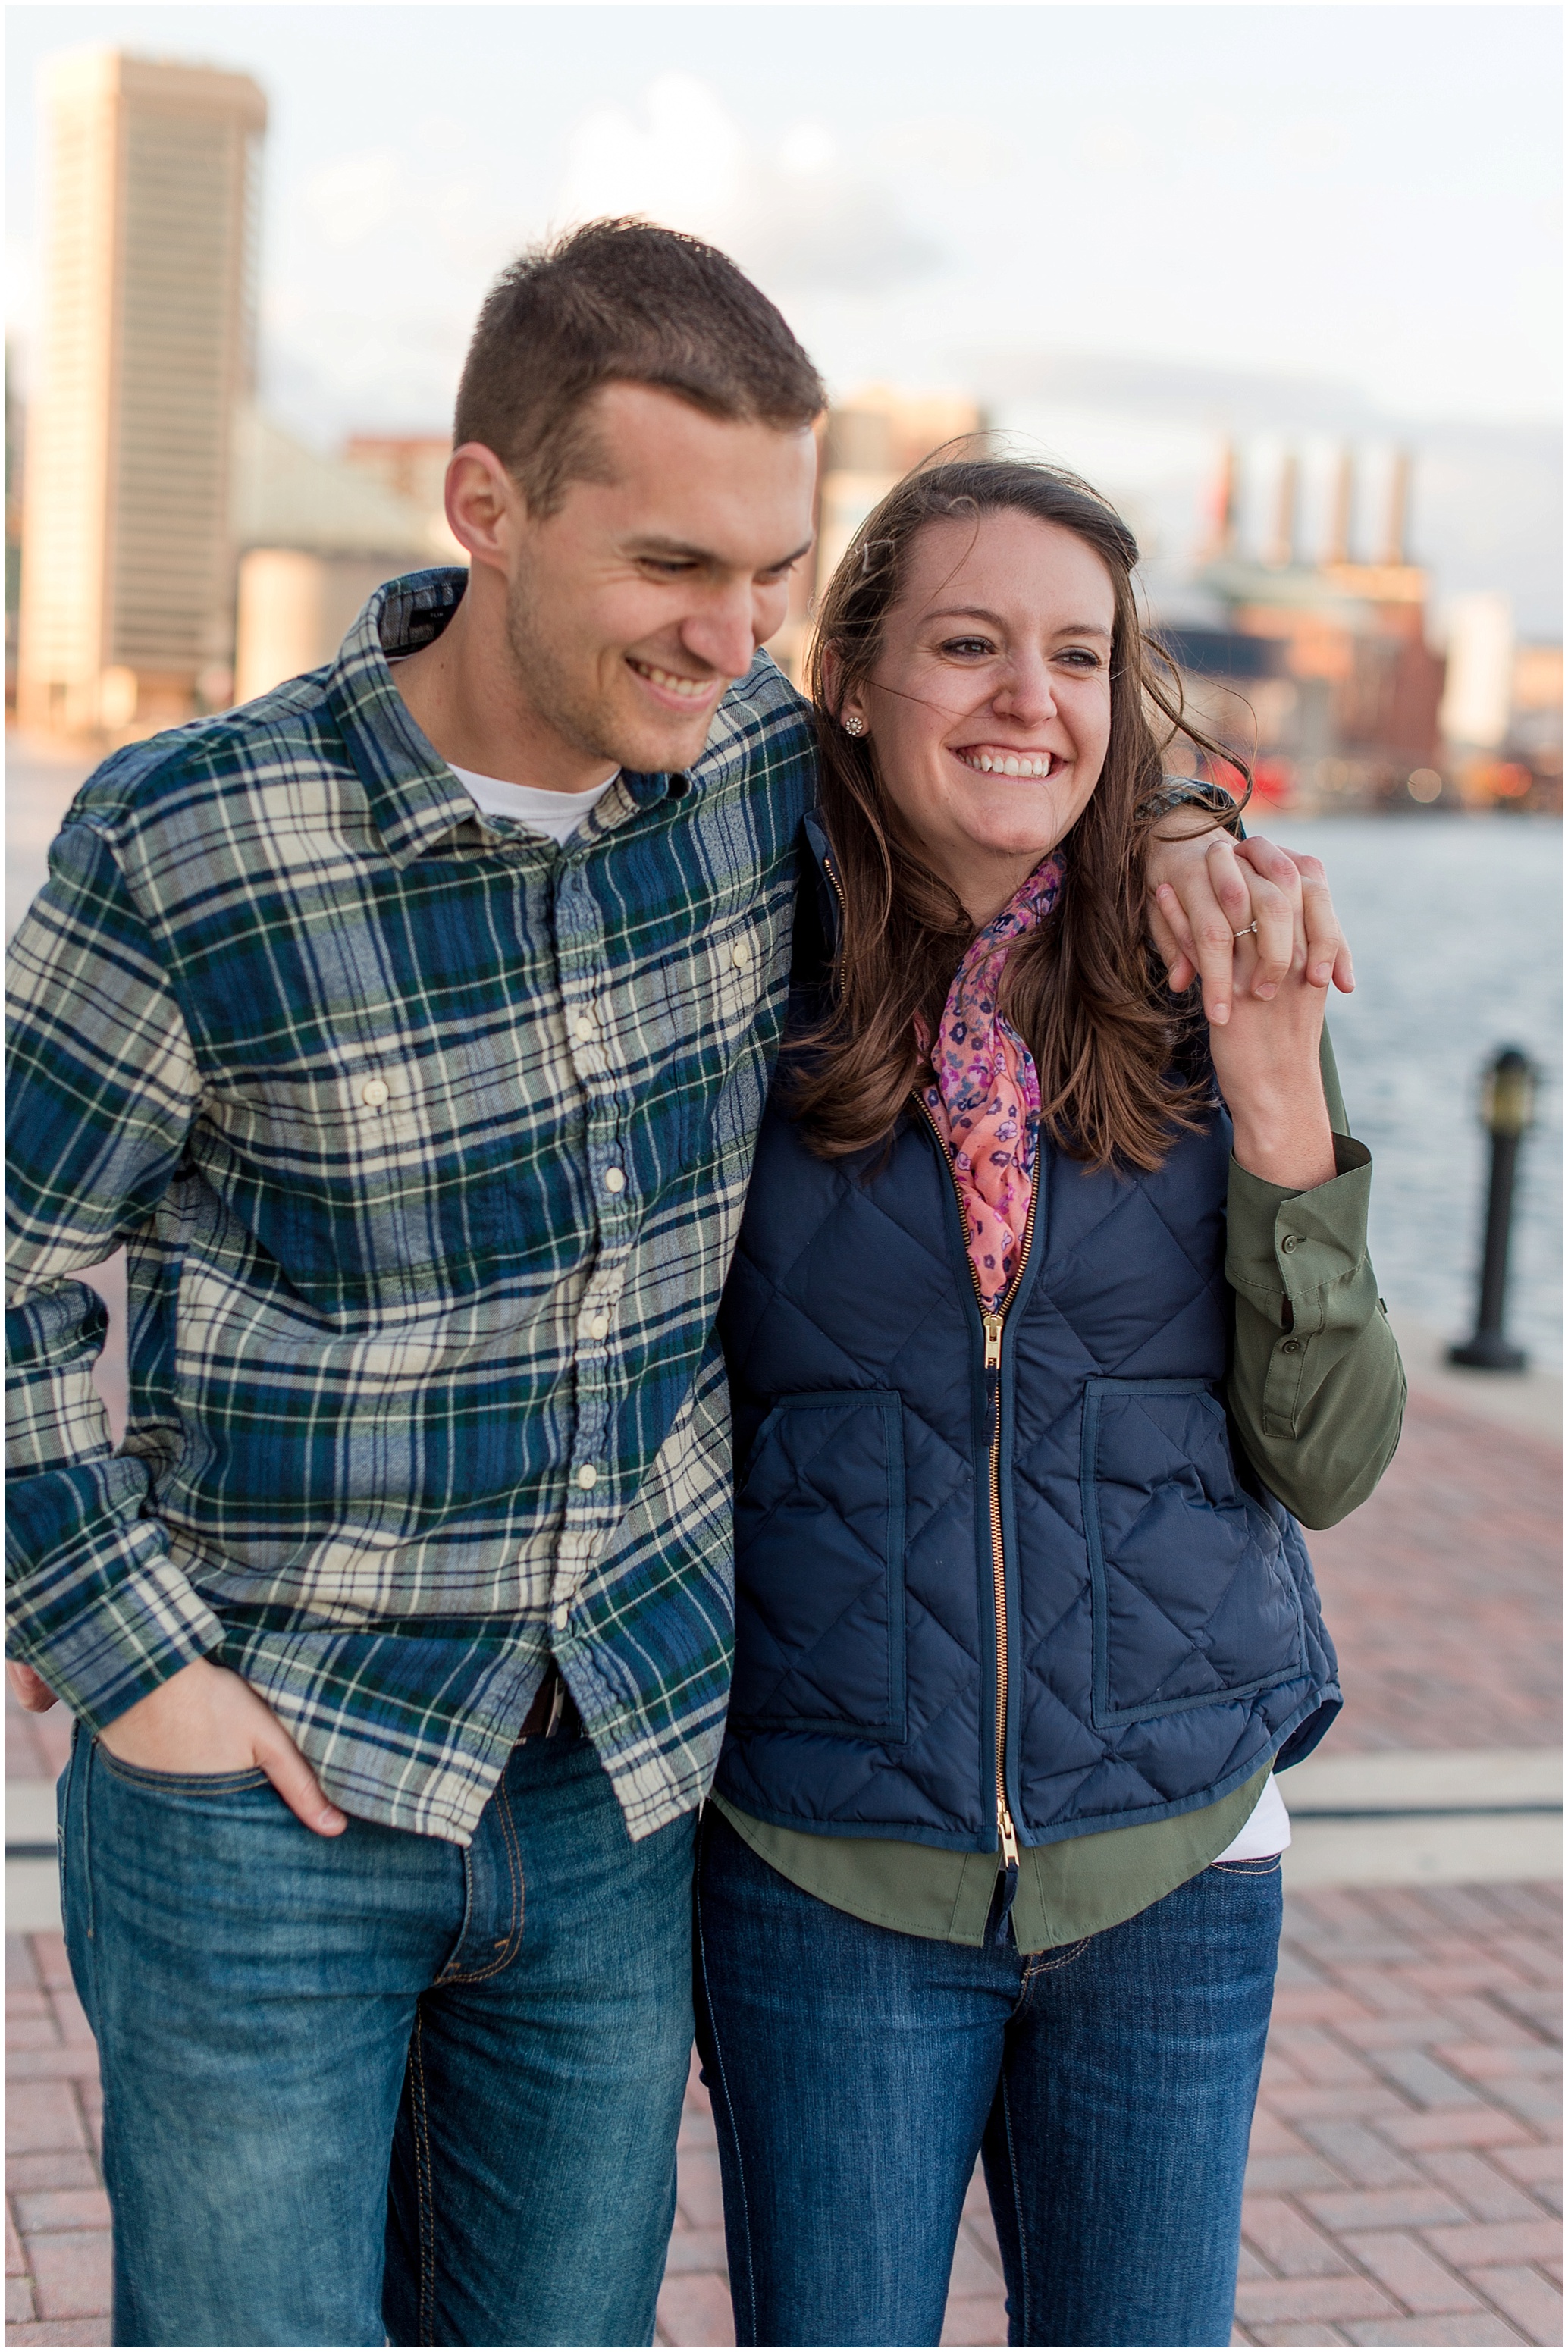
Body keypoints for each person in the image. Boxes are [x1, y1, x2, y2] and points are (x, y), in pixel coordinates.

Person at [6, 224, 1350, 2348]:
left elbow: (1017, 731)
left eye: (763, 574)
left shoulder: (740, 774)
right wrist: (121, 1644)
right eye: (669, 567)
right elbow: (19, 1271)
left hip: (619, 1780)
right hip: (277, 1772)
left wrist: (1184, 817)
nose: (728, 633)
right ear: (484, 509)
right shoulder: (192, 836)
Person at [694, 457, 1405, 2350]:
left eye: (1077, 656)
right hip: (828, 1865)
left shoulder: (1203, 970)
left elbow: (1326, 1460)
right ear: (846, 678)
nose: (1031, 700)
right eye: (966, 644)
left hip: (1174, 1853)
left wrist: (1274, 1098)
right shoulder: (724, 964)